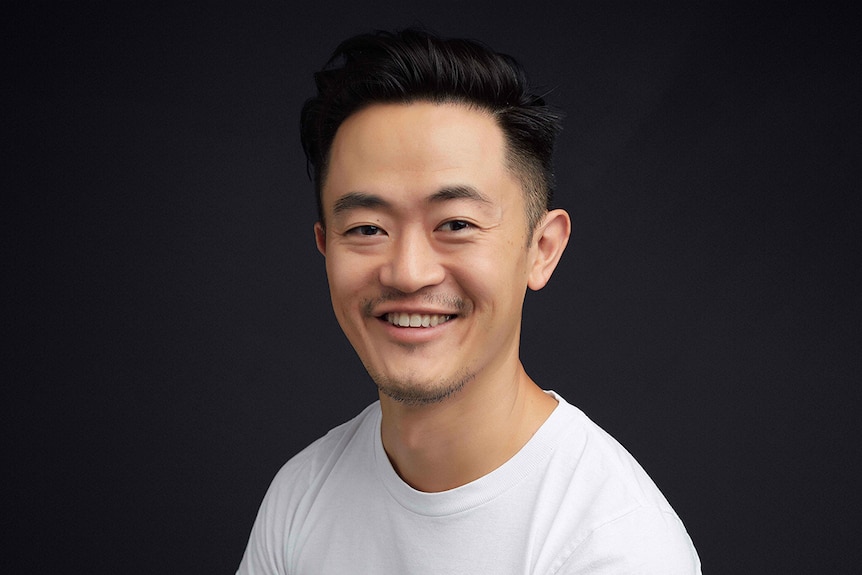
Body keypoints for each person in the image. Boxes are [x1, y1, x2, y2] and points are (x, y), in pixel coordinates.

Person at [237, 28, 701, 574]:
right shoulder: (301, 496)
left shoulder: (612, 545)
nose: (408, 272)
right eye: (366, 228)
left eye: (456, 223)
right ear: (325, 248)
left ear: (541, 249)